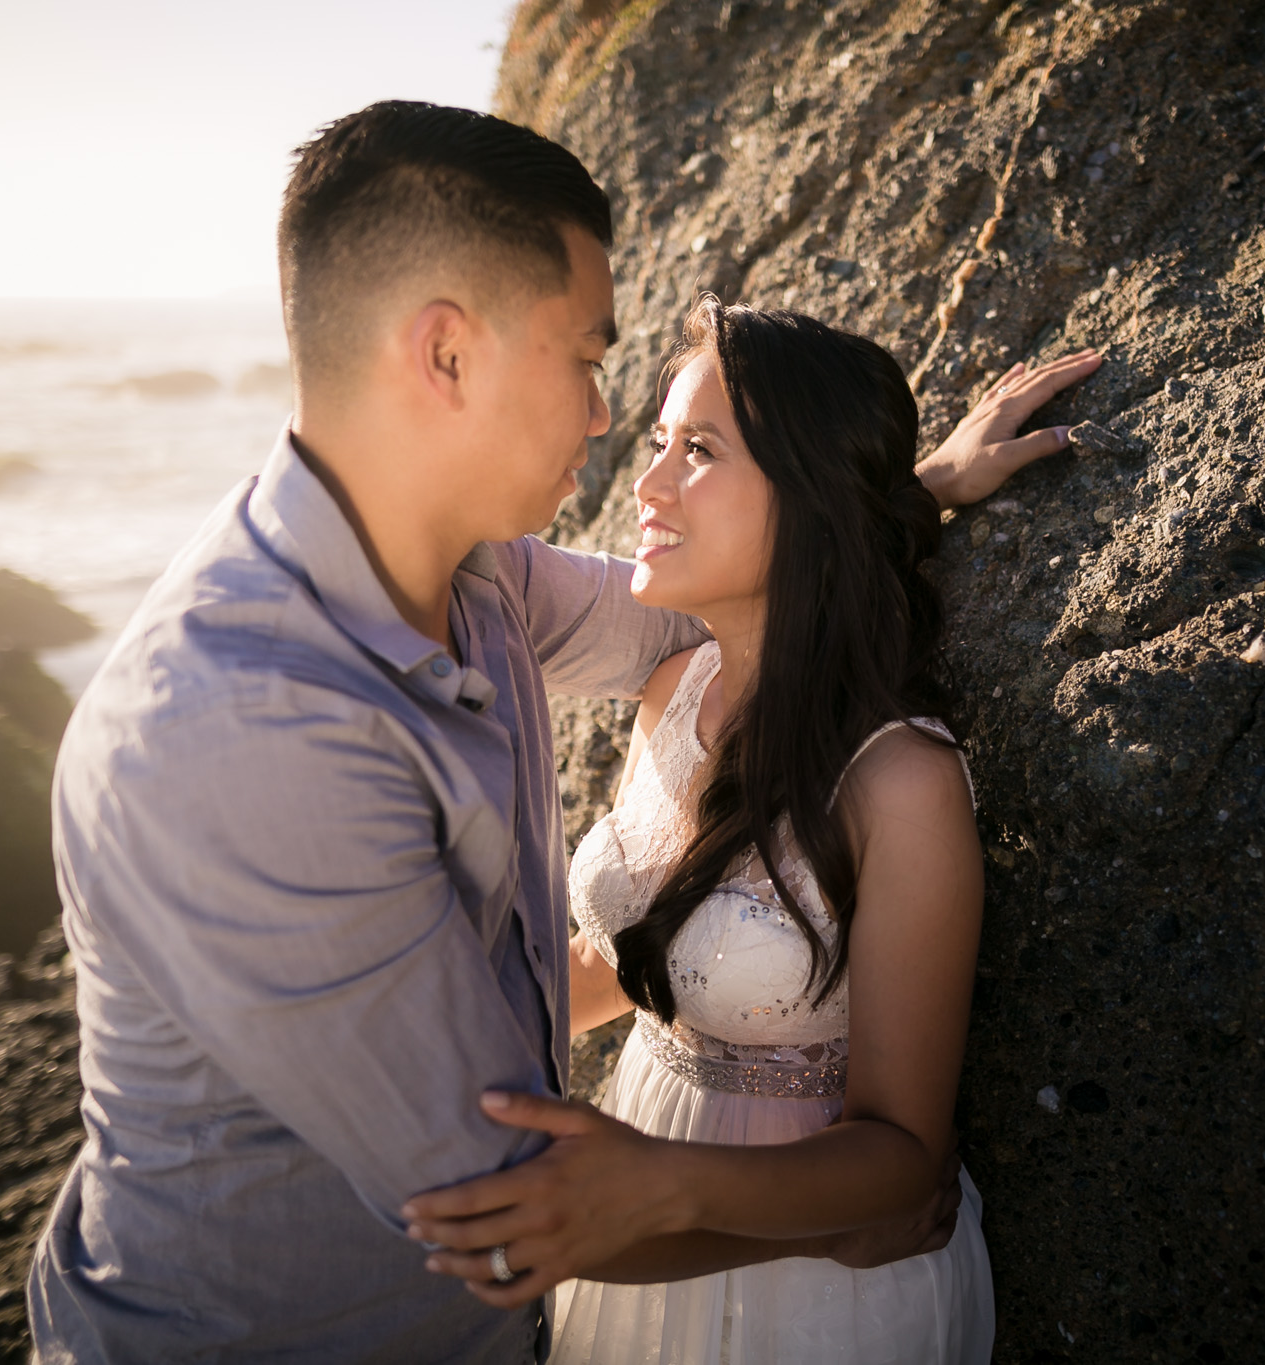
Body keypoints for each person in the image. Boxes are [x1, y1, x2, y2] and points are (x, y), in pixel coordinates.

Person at [27, 100, 1097, 1363]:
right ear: (447, 355)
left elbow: (745, 587)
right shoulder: (241, 735)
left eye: (667, 433)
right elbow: (504, 1206)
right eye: (587, 359)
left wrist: (889, 494)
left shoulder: (482, 583)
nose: (604, 424)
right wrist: (843, 1214)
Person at [404, 298, 1016, 1362]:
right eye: (656, 446)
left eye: (697, 450)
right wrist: (432, 1078)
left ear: (814, 497)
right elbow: (630, 960)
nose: (643, 487)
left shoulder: (900, 783)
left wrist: (654, 1191)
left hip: (818, 1280)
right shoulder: (673, 689)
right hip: (637, 1186)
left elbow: (903, 1154)